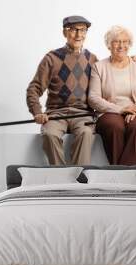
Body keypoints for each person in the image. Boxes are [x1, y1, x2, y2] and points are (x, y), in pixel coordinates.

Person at [26, 16, 97, 165]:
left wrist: (132, 60)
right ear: (64, 33)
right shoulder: (51, 58)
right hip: (56, 113)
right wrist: (37, 111)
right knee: (49, 135)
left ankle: (80, 179)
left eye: (82, 30)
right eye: (73, 30)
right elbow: (34, 88)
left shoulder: (92, 59)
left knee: (85, 133)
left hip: (83, 114)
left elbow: (111, 71)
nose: (78, 34)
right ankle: (60, 178)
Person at [88, 25, 136, 165]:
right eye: (116, 41)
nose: (121, 45)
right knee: (114, 126)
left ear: (129, 44)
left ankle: (120, 177)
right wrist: (121, 109)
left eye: (125, 41)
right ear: (109, 45)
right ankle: (127, 178)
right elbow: (93, 98)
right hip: (110, 112)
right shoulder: (99, 67)